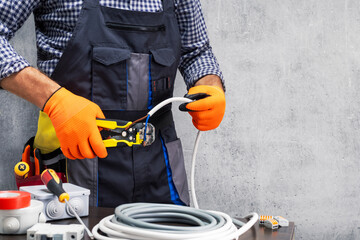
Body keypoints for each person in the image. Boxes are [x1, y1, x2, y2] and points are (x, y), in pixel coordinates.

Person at [0, 0, 226, 207]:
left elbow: (196, 51)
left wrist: (210, 85)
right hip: (71, 170)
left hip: (161, 171)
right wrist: (55, 101)